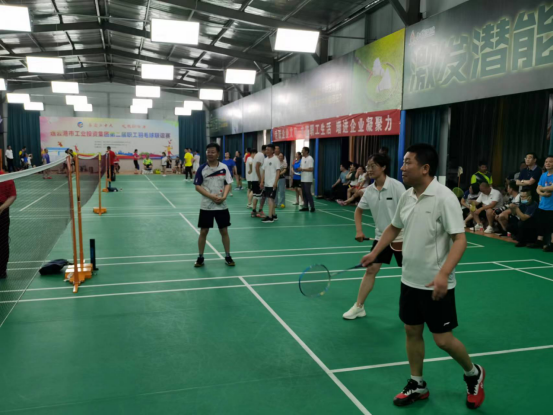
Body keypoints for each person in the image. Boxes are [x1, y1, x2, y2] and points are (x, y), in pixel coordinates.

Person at [361, 143, 485, 410]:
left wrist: (443, 274)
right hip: (410, 279)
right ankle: (417, 383)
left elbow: (460, 240)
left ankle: (473, 373)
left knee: (443, 340)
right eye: (403, 162)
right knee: (412, 331)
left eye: (408, 163)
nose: (402, 168)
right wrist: (375, 253)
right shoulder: (407, 196)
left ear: (425, 168)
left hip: (435, 282)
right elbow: (393, 228)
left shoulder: (444, 197)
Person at [343, 153, 405, 320]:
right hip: (381, 237)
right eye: (368, 166)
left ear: (383, 167)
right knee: (371, 269)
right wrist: (359, 230)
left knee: (409, 274)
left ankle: (416, 308)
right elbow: (358, 211)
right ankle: (359, 307)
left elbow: (409, 211)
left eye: (373, 166)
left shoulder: (397, 186)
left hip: (402, 237)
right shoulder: (369, 191)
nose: (369, 169)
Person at [193, 143, 235, 267]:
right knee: (204, 231)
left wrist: (224, 196)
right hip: (206, 205)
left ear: (218, 154)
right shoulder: (202, 168)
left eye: (212, 152)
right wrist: (211, 196)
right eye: (208, 152)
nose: (210, 154)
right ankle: (200, 257)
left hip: (222, 205)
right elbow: (197, 186)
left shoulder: (223, 167)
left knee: (224, 230)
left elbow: (228, 183)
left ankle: (228, 256)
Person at [529, 155, 553, 251]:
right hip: (542, 205)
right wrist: (543, 193)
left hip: (552, 206)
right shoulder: (543, 175)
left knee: (551, 226)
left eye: (550, 162)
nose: (548, 163)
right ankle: (539, 241)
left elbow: (551, 188)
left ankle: (552, 244)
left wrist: (543, 188)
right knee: (540, 224)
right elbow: (538, 188)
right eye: (546, 162)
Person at [0, 170, 17, 279]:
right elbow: (13, 196)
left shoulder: (6, 177)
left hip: (2, 212)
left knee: (2, 242)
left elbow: (13, 195)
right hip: (3, 211)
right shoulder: (7, 177)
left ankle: (1, 270)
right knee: (2, 242)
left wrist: (1, 208)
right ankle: (2, 271)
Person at [260, 144, 280, 223]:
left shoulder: (276, 159)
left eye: (268, 150)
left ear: (272, 151)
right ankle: (274, 215)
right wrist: (262, 181)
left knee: (270, 199)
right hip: (267, 183)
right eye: (266, 150)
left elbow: (278, 172)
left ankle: (270, 217)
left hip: (272, 183)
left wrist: (275, 182)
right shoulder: (265, 159)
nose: (266, 151)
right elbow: (264, 171)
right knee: (271, 199)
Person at [251, 146, 267, 218]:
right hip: (257, 180)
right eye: (267, 150)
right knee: (262, 195)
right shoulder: (261, 155)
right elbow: (257, 167)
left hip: (254, 179)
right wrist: (260, 180)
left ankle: (254, 211)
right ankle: (260, 211)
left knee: (256, 196)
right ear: (265, 150)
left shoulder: (258, 155)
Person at [298, 147, 315, 212]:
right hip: (303, 178)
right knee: (304, 193)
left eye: (303, 150)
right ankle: (306, 206)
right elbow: (302, 167)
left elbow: (311, 169)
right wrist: (299, 169)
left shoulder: (310, 158)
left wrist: (302, 169)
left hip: (308, 179)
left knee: (308, 193)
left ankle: (312, 207)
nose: (302, 151)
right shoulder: (302, 158)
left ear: (306, 151)